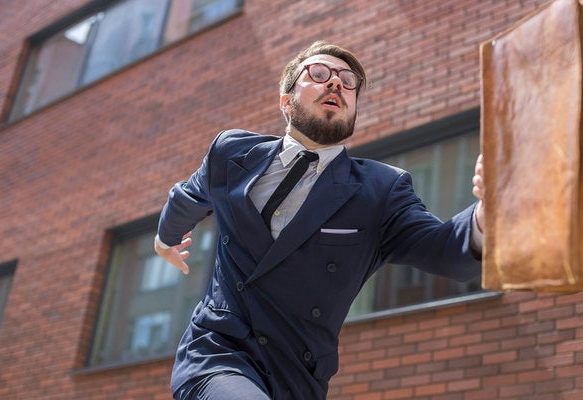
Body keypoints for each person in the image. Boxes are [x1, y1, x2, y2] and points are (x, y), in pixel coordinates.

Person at [155, 41, 486, 400]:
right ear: (286, 100)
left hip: (298, 374)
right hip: (218, 353)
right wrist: (163, 241)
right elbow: (187, 198)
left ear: (354, 110)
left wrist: (490, 206)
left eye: (348, 81)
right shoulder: (232, 153)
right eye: (318, 74)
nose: (336, 84)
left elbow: (449, 250)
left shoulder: (381, 190)